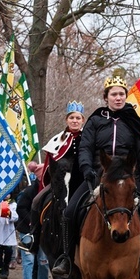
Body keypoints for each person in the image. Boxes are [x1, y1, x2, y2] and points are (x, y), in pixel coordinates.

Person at [51, 75, 140, 279]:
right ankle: (66, 258)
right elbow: (85, 148)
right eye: (114, 94)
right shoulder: (95, 120)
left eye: (121, 94)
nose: (118, 98)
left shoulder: (134, 121)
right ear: (106, 97)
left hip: (128, 175)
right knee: (70, 212)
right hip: (100, 174)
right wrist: (86, 168)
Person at [18, 101, 86, 252]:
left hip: (83, 182)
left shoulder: (89, 138)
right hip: (61, 182)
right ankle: (34, 237)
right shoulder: (57, 140)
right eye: (72, 118)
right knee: (36, 201)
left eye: (78, 118)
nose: (75, 121)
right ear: (66, 120)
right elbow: (50, 165)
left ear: (83, 120)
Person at [16, 164, 50, 279]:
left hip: (43, 231)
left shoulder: (51, 189)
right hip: (27, 230)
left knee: (43, 260)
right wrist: (31, 221)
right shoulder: (30, 191)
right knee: (28, 260)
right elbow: (20, 208)